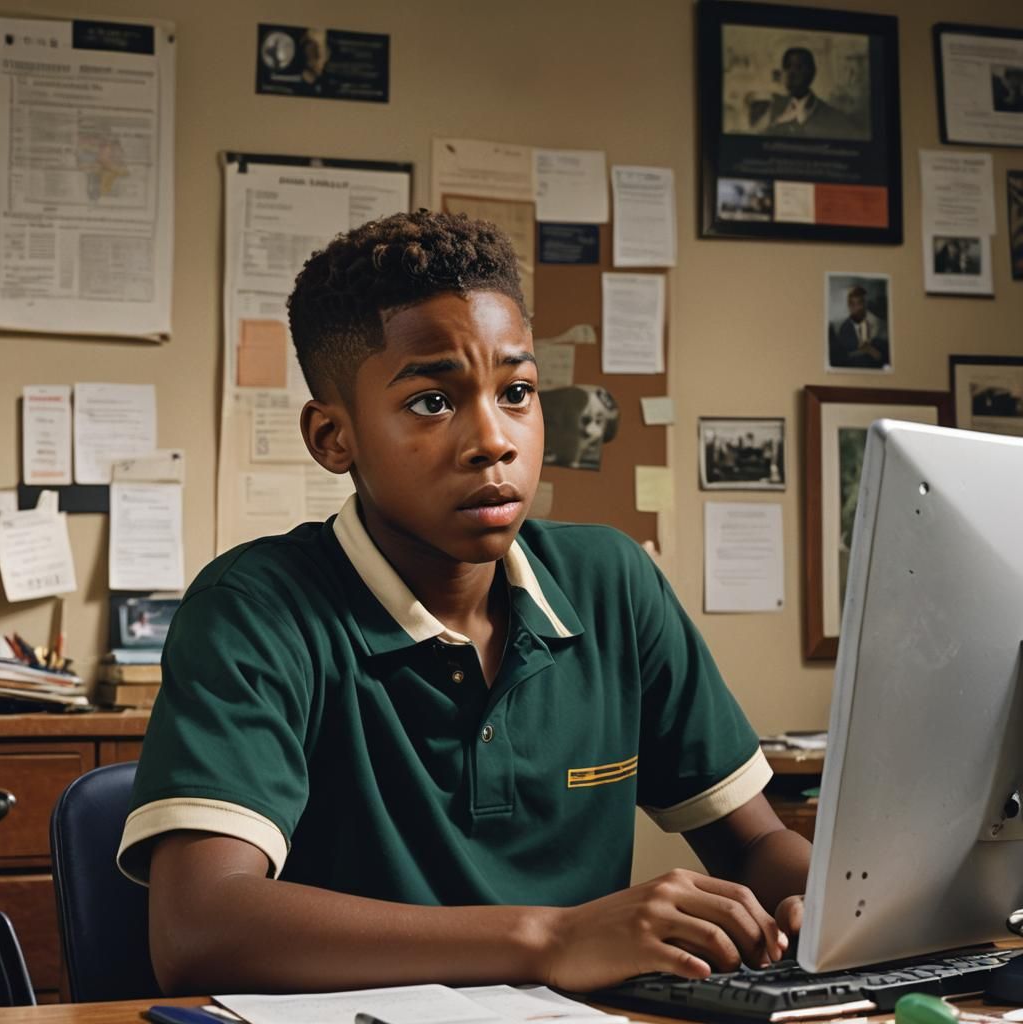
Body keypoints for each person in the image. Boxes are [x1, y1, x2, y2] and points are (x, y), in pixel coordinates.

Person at [117, 211, 810, 996]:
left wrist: (838, 902)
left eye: (516, 392)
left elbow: (755, 845)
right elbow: (201, 928)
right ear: (333, 438)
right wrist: (553, 937)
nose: (494, 440)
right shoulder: (255, 609)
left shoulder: (611, 583)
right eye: (431, 402)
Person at [752, 46, 859, 139]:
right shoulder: (772, 110)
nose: (791, 73)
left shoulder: (833, 118)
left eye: (798, 67)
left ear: (812, 73)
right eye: (787, 66)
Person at [830, 285, 889, 370]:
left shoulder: (875, 324)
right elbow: (844, 357)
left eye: (860, 303)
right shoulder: (845, 329)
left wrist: (872, 351)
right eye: (853, 304)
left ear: (864, 304)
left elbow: (885, 358)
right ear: (849, 307)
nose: (857, 308)